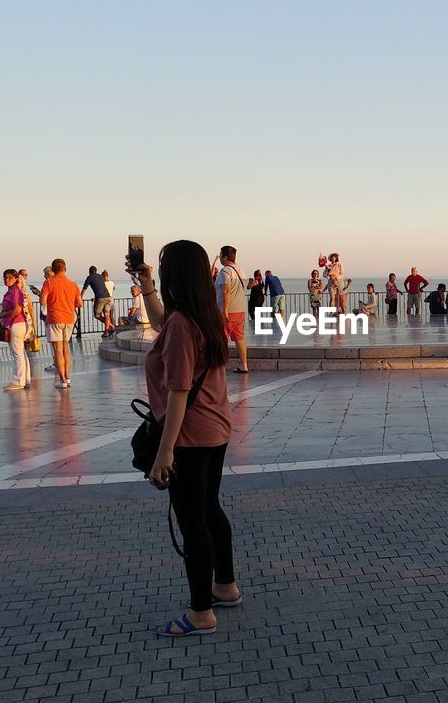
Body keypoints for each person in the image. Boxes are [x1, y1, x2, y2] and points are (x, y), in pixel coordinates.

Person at [129, 240, 241, 637]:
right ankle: (225, 586)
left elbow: (177, 392)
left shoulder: (182, 324)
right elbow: (163, 323)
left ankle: (200, 614)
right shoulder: (203, 314)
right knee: (210, 509)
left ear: (174, 273)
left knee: (193, 521)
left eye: (160, 267)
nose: (157, 271)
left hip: (190, 436)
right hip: (216, 429)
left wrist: (164, 452)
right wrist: (146, 289)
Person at [39, 258, 82, 388]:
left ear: (52, 269)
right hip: (69, 319)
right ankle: (68, 377)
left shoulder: (49, 283)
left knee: (57, 349)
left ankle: (62, 379)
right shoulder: (73, 284)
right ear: (65, 268)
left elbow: (42, 301)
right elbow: (80, 303)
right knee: (65, 348)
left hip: (54, 318)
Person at [214, 246, 250, 374]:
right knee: (239, 337)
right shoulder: (241, 271)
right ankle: (243, 365)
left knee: (221, 338)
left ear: (224, 257)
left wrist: (224, 311)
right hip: (240, 309)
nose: (219, 258)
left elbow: (226, 291)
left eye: (220, 255)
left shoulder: (225, 272)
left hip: (228, 311)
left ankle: (219, 366)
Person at [0, 269, 29, 391]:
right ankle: (24, 379)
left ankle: (18, 381)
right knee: (20, 353)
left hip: (16, 324)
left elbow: (17, 309)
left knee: (17, 354)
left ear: (16, 279)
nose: (7, 280)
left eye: (10, 277)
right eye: (5, 278)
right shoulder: (12, 291)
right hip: (16, 324)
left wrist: (3, 315)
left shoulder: (15, 291)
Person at [82, 266, 115, 339]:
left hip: (100, 298)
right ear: (96, 271)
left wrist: (80, 297)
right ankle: (106, 332)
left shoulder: (89, 277)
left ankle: (111, 326)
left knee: (97, 315)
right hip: (108, 297)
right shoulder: (100, 276)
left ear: (89, 271)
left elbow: (85, 288)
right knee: (107, 315)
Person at [17, 269, 36, 387]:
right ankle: (25, 378)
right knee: (22, 352)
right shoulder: (21, 294)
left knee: (21, 353)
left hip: (24, 325)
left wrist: (34, 327)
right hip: (23, 325)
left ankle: (24, 378)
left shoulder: (25, 295)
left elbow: (31, 311)